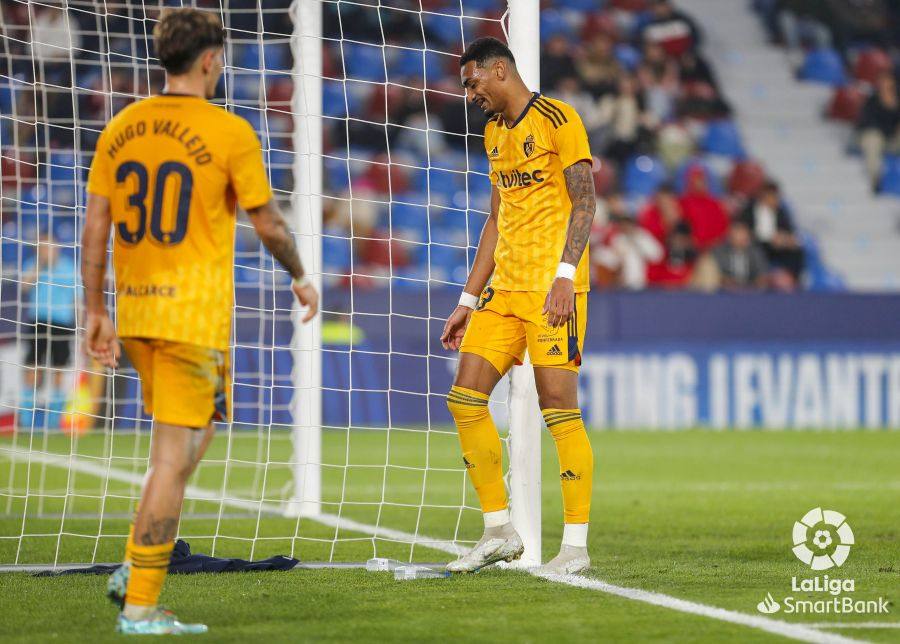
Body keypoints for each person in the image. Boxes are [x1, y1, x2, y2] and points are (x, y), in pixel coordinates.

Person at [81, 8, 318, 635]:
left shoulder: (121, 127)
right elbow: (266, 221)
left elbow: (96, 227)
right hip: (191, 317)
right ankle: (139, 604)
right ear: (210, 59)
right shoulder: (228, 131)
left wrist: (96, 310)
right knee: (171, 457)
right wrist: (298, 273)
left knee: (199, 431)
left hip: (136, 312)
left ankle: (139, 566)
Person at [441, 37, 596, 575]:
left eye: (472, 82)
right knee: (465, 400)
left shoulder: (558, 118)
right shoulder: (492, 134)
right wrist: (466, 298)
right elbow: (496, 218)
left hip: (553, 292)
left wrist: (564, 277)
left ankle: (574, 547)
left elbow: (585, 200)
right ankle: (498, 530)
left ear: (499, 70)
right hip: (502, 293)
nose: (470, 93)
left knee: (559, 411)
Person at [19, 230, 78, 427]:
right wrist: (41, 265)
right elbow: (24, 287)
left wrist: (83, 325)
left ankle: (54, 421)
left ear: (57, 246)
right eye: (42, 247)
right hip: (39, 321)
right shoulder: (33, 264)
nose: (46, 250)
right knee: (33, 368)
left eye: (49, 246)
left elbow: (77, 300)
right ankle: (27, 420)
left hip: (62, 323)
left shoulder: (69, 268)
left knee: (59, 370)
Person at [737, 181, 804, 288]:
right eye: (773, 196)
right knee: (756, 251)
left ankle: (791, 280)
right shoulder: (749, 211)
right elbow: (742, 230)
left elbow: (790, 232)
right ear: (764, 196)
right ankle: (760, 281)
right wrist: (767, 238)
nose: (776, 200)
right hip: (756, 244)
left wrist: (785, 239)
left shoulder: (781, 213)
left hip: (777, 245)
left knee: (797, 250)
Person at [857, 72, 900, 190]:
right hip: (876, 137)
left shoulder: (897, 99)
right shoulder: (872, 101)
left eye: (888, 81)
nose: (885, 84)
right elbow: (867, 124)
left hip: (893, 139)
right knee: (872, 139)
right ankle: (875, 180)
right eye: (882, 81)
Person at [709, 220, 769, 291]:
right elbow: (717, 273)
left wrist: (758, 282)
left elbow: (762, 274)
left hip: (751, 291)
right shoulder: (720, 252)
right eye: (739, 234)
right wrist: (726, 280)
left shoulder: (755, 252)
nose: (742, 238)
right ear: (731, 237)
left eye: (745, 234)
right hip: (725, 292)